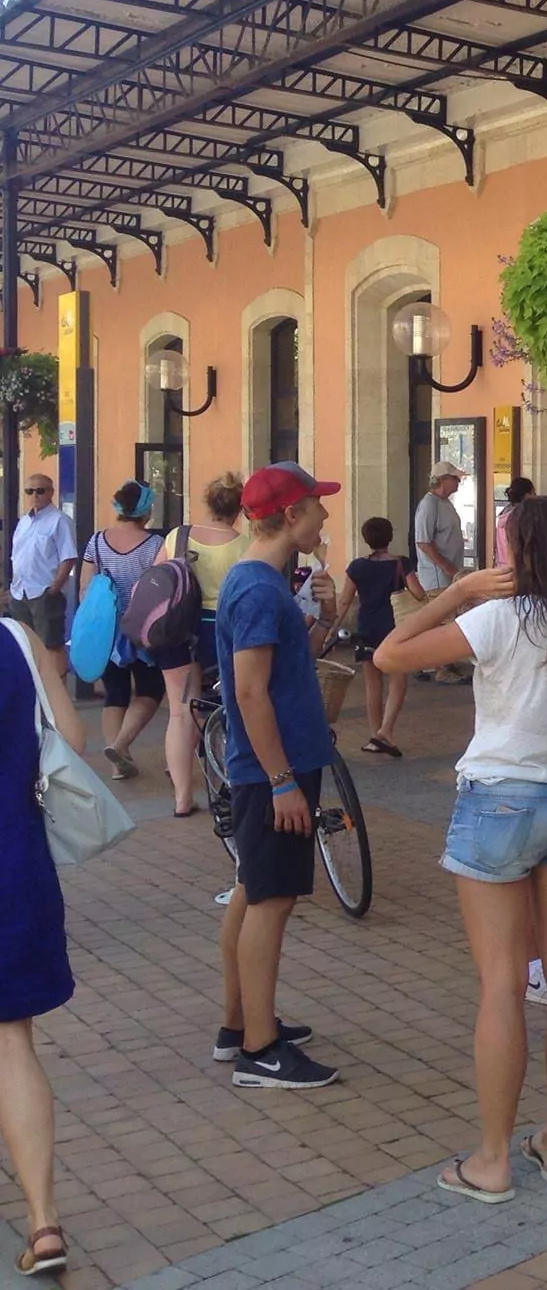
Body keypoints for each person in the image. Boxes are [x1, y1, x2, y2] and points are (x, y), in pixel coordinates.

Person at [374, 497, 547, 1203]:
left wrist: (456, 592)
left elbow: (388, 653)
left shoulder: (497, 617)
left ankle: (492, 1159)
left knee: (501, 981)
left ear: (519, 550)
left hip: (499, 799)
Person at [213, 462, 342, 1089]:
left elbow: (294, 666)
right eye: (317, 505)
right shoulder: (260, 589)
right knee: (271, 900)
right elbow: (251, 692)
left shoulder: (263, 582)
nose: (325, 516)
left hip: (273, 766)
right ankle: (259, 1051)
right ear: (290, 515)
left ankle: (242, 1024)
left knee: (252, 890)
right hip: (271, 772)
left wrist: (325, 617)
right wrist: (282, 780)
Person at [0, 612, 88, 1276]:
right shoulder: (19, 640)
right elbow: (74, 739)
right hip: (16, 868)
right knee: (12, 1041)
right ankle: (43, 1220)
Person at [159, 475, 248, 819]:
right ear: (240, 508)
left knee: (181, 714)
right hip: (219, 630)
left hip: (176, 628)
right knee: (220, 710)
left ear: (208, 503)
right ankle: (220, 784)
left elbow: (157, 579)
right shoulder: (244, 545)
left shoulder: (177, 536)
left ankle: (182, 797)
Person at [78, 482, 165, 783]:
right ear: (146, 510)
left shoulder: (97, 541)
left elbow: (86, 589)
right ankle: (120, 745)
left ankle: (118, 763)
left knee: (115, 693)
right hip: (142, 629)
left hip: (107, 632)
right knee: (150, 690)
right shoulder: (155, 545)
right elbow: (160, 588)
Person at [334, 517, 424, 758]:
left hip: (366, 628)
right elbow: (417, 593)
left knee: (372, 684)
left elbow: (344, 601)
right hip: (394, 630)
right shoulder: (400, 564)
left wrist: (331, 627)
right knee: (398, 681)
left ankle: (375, 735)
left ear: (366, 538)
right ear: (389, 537)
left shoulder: (356, 567)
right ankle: (386, 730)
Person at [6, 474, 76, 683]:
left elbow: (69, 557)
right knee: (25, 645)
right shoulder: (23, 522)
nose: (34, 495)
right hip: (20, 591)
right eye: (30, 491)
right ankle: (36, 693)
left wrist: (54, 588)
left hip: (44, 592)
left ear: (51, 492)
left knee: (52, 645)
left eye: (40, 491)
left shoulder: (59, 521)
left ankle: (59, 698)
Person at [413, 460, 469, 685]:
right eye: (455, 478)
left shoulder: (444, 503)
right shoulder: (429, 505)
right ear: (443, 479)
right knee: (442, 619)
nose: (458, 482)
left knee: (445, 617)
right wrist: (446, 566)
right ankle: (441, 667)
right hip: (436, 574)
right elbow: (423, 541)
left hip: (448, 571)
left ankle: (438, 662)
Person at [493, 476, 535, 567]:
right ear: (527, 495)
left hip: (501, 566)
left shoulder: (503, 514)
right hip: (516, 569)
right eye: (533, 493)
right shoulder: (522, 517)